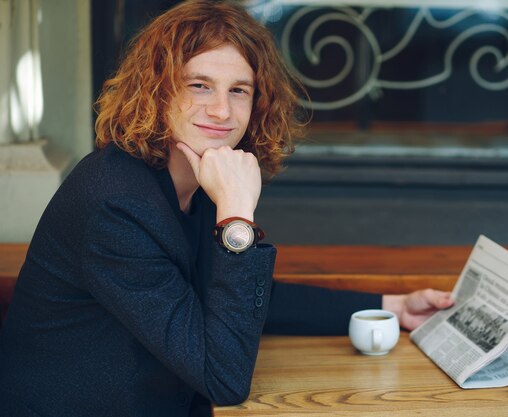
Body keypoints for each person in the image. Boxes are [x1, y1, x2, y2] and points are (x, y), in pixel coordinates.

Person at [0, 1, 453, 416]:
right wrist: (236, 215)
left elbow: (242, 299)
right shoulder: (113, 202)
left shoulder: (190, 177)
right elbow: (224, 378)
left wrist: (392, 306)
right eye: (200, 85)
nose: (222, 110)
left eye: (240, 91)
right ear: (156, 91)